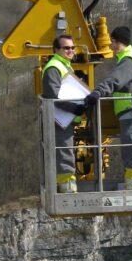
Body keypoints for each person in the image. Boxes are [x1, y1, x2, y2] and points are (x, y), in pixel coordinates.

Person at [84, 26, 132, 190]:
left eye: (112, 42)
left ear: (118, 42)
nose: (111, 46)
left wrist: (98, 92)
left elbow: (116, 79)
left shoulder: (129, 59)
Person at [42, 35, 80, 193]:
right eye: (66, 48)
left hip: (66, 117)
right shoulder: (54, 67)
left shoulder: (65, 66)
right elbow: (54, 96)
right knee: (64, 151)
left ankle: (69, 185)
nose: (70, 50)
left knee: (67, 151)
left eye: (72, 47)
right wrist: (75, 108)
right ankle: (67, 188)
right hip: (59, 118)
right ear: (56, 50)